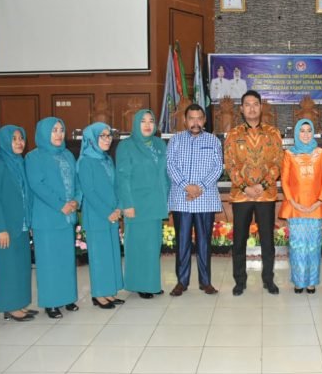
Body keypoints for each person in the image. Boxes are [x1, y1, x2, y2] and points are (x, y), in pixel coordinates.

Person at [224, 90, 283, 296]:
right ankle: (240, 281)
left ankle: (268, 280)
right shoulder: (233, 134)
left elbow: (278, 162)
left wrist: (263, 185)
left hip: (266, 195)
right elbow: (230, 164)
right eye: (247, 104)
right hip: (241, 195)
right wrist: (245, 187)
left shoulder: (273, 133)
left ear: (261, 107)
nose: (251, 108)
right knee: (239, 240)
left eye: (255, 104)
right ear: (241, 109)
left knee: (267, 240)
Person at [26, 117, 81, 318]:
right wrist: (60, 205)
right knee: (49, 262)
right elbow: (37, 185)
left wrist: (76, 200)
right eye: (54, 130)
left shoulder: (68, 155)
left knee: (66, 261)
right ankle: (51, 302)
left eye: (61, 130)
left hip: (67, 217)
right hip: (47, 218)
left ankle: (67, 297)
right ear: (43, 133)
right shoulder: (33, 157)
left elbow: (77, 181)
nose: (58, 134)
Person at [167, 104, 223, 297]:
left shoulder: (213, 140)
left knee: (204, 243)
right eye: (191, 118)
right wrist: (187, 186)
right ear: (185, 120)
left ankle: (205, 282)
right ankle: (181, 282)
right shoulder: (175, 140)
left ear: (204, 120)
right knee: (182, 242)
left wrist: (199, 188)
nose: (196, 122)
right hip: (181, 199)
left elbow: (217, 167)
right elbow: (170, 165)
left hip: (205, 199)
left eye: (199, 118)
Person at [0, 125, 36, 322]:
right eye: (14, 139)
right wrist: (0, 229)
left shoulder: (20, 163)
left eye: (21, 138)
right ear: (4, 141)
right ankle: (9, 307)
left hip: (20, 226)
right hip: (4, 228)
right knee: (7, 268)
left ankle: (19, 304)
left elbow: (25, 196)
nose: (19, 142)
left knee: (21, 267)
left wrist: (29, 221)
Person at [116, 109, 169, 299]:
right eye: (143, 121)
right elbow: (122, 178)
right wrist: (127, 204)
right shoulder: (126, 146)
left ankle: (151, 283)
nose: (147, 125)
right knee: (137, 246)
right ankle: (139, 284)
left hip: (156, 202)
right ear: (135, 124)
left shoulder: (159, 144)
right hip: (137, 204)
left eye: (151, 121)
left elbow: (165, 174)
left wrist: (167, 198)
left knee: (152, 247)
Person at [77, 123, 124, 309]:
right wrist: (108, 213)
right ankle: (98, 294)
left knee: (111, 255)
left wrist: (118, 208)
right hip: (97, 216)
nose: (107, 139)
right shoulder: (85, 161)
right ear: (91, 139)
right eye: (102, 135)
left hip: (112, 214)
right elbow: (89, 192)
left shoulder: (107, 159)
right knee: (99, 256)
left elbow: (116, 185)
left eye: (109, 135)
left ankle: (109, 291)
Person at [279, 119, 322, 293]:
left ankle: (311, 281)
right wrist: (293, 202)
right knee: (297, 246)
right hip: (296, 207)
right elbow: (284, 180)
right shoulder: (289, 154)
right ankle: (299, 281)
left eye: (309, 131)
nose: (306, 134)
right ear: (297, 133)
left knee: (313, 246)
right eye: (302, 130)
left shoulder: (321, 153)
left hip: (316, 207)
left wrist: (318, 202)